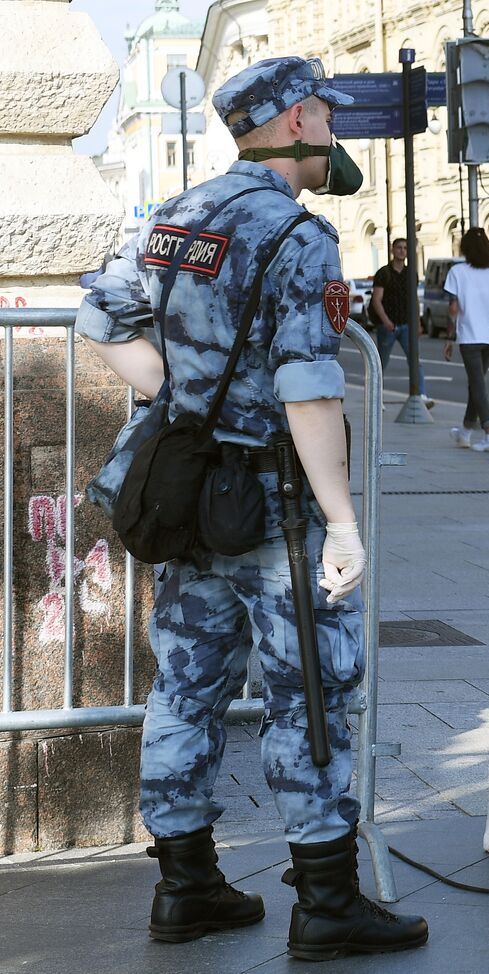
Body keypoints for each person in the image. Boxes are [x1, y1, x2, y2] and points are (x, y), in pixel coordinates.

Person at [77, 57, 427, 960]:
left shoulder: (177, 216)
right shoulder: (297, 235)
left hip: (191, 499)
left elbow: (101, 319)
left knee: (185, 689)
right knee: (310, 689)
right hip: (272, 508)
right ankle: (326, 901)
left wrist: (179, 397)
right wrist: (340, 524)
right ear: (301, 121)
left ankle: (185, 887)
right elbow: (309, 388)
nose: (331, 133)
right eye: (325, 115)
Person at [444, 227, 489, 452]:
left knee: (477, 385)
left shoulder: (457, 271)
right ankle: (465, 432)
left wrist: (449, 337)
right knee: (477, 385)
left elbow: (453, 308)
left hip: (469, 337)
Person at [370, 236, 432, 409]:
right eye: (399, 248)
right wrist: (386, 321)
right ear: (392, 250)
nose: (402, 251)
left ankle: (422, 395)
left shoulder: (411, 273)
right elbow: (377, 300)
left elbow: (414, 299)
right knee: (381, 363)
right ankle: (377, 398)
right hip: (387, 326)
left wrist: (418, 322)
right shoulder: (384, 273)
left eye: (405, 248)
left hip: (407, 324)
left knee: (415, 360)